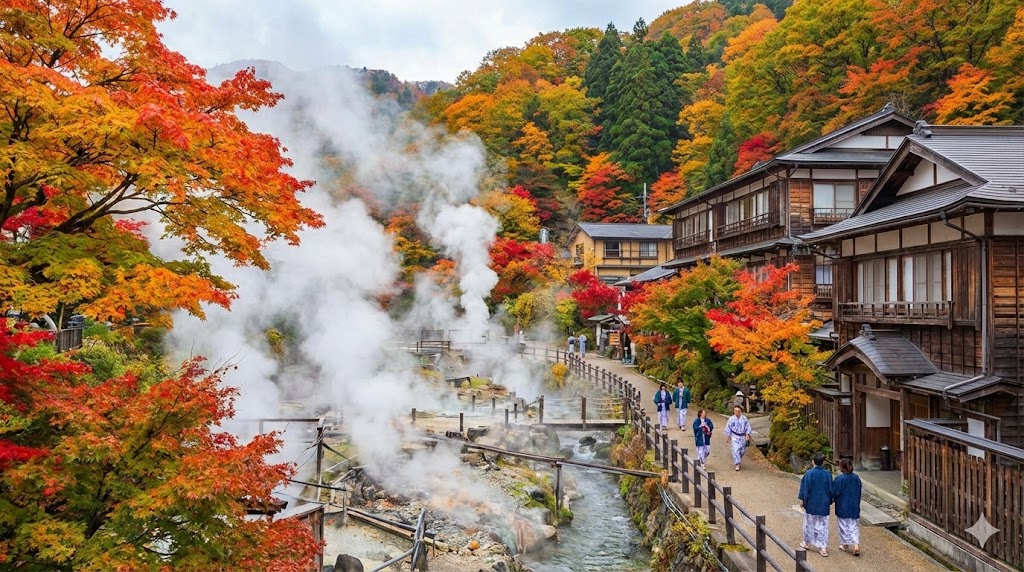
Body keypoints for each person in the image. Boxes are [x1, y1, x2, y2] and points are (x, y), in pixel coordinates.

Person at [799, 453, 834, 557]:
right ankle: (823, 547)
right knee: (823, 526)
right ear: (823, 462)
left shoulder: (809, 474)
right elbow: (831, 490)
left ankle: (807, 543)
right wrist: (831, 500)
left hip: (811, 503)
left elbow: (805, 489)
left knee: (809, 524)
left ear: (813, 462)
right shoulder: (828, 474)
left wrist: (802, 500)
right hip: (824, 503)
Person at [834, 457, 862, 556]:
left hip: (842, 505)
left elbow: (835, 492)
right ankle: (855, 544)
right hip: (854, 505)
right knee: (853, 526)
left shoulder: (839, 479)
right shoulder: (856, 478)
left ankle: (845, 544)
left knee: (843, 526)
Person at [724, 405, 752, 471]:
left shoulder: (744, 418)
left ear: (740, 411)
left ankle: (738, 459)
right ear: (734, 411)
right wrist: (728, 436)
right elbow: (728, 427)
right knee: (736, 450)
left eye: (738, 411)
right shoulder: (731, 419)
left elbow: (748, 427)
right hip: (734, 436)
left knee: (742, 451)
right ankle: (737, 464)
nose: (737, 412)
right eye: (735, 411)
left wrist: (747, 434)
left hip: (742, 436)